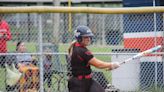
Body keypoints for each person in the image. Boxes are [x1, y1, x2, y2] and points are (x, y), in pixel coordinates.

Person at [68, 25, 120, 92]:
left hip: (88, 81)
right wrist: (112, 64)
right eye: (86, 37)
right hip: (79, 84)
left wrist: (111, 65)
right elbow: (98, 64)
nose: (89, 39)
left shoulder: (77, 46)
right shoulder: (81, 51)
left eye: (89, 37)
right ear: (79, 38)